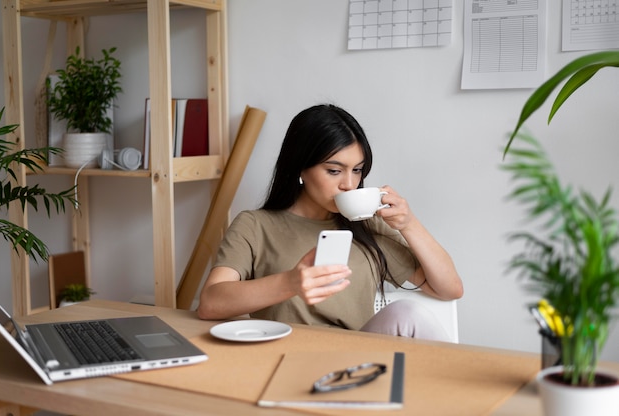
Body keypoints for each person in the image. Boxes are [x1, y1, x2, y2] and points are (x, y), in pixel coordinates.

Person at [197, 104, 463, 341]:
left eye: (357, 170)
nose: (349, 184)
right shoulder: (255, 225)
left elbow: (450, 289)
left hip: (353, 361)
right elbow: (210, 303)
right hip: (282, 358)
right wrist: (291, 283)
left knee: (407, 313)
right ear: (300, 168)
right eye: (334, 171)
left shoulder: (368, 226)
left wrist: (409, 224)